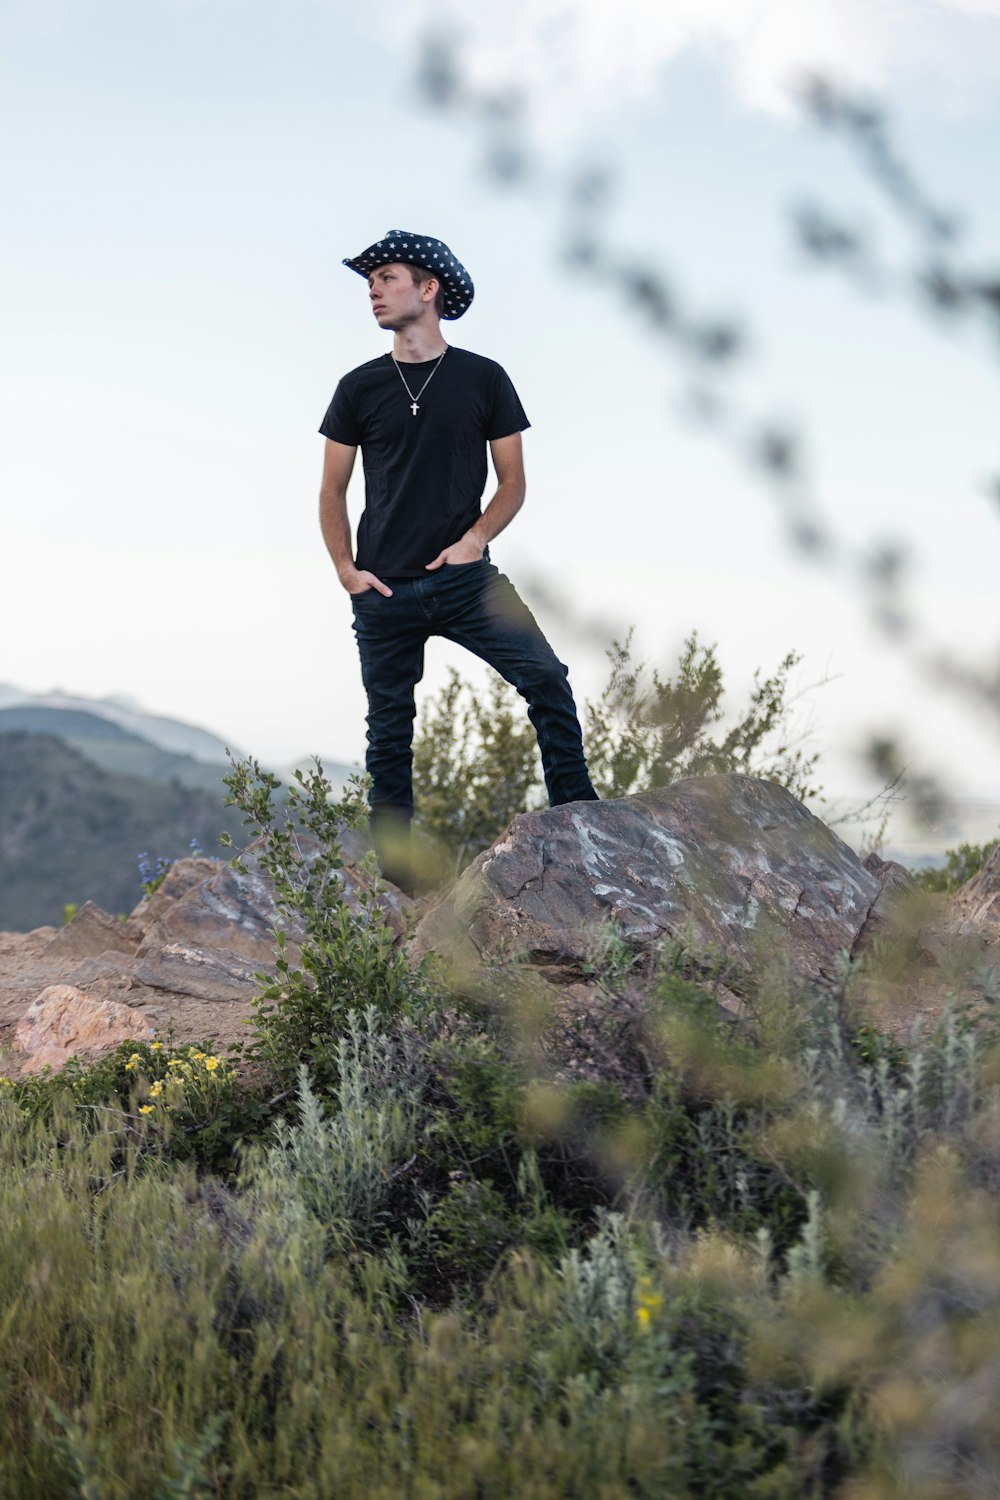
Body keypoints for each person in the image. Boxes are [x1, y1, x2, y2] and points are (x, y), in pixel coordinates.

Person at [318, 229, 597, 892]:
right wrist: (346, 570)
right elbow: (331, 489)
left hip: (468, 582)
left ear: (429, 287)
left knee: (548, 682)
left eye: (386, 277)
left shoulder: (484, 379)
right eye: (369, 282)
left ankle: (588, 832)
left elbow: (513, 483)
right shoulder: (358, 387)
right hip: (383, 591)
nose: (374, 291)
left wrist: (474, 540)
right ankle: (395, 890)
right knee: (388, 742)